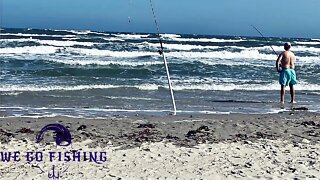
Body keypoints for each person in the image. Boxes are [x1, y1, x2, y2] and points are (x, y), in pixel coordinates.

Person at [276, 42, 297, 106]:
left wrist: (278, 68)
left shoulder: (283, 53)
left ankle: (282, 100)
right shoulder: (293, 54)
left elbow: (277, 61)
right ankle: (292, 100)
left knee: (283, 85)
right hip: (292, 71)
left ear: (284, 47)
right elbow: (294, 63)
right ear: (290, 47)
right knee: (292, 85)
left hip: (285, 70)